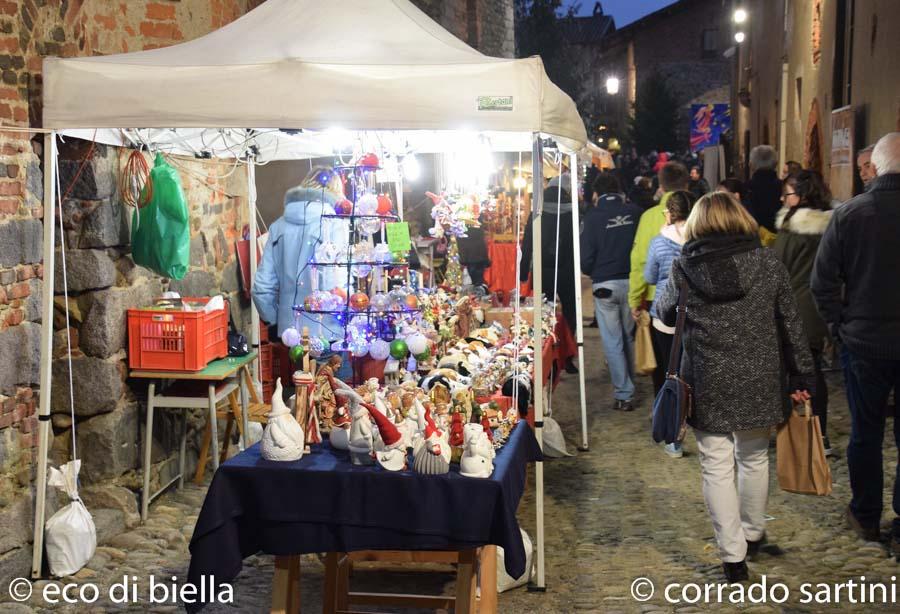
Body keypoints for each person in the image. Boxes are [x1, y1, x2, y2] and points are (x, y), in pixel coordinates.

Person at [655, 191, 814, 582]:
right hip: (760, 375)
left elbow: (663, 310)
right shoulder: (768, 263)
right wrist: (801, 375)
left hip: (709, 377)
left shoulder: (684, 266)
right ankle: (754, 531)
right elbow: (790, 323)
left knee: (716, 465)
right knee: (755, 458)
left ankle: (732, 556)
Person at [811, 132, 900, 552]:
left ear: (875, 167)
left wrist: (839, 327)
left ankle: (866, 515)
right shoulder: (849, 214)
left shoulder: (850, 215)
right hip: (867, 338)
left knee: (865, 433)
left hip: (863, 342)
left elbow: (821, 283)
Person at [774, 170, 834, 454]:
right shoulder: (832, 225)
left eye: (787, 193)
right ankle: (819, 432)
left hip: (795, 308)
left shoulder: (792, 229)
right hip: (820, 309)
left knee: (795, 371)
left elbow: (777, 267)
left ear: (802, 195)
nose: (783, 199)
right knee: (813, 368)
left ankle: (804, 434)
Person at [253, 166, 346, 336]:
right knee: (333, 364)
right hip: (328, 332)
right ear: (336, 192)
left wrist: (274, 322)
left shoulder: (278, 227)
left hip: (290, 332)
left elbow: (262, 287)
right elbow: (336, 286)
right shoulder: (335, 225)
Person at [580, 172, 642, 412]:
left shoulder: (593, 217)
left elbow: (585, 257)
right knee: (628, 337)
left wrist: (594, 270)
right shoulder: (635, 213)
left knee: (613, 340)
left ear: (597, 193)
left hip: (605, 283)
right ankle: (629, 383)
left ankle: (624, 392)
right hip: (632, 282)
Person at [643, 190, 696, 455]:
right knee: (691, 374)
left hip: (665, 317)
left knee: (667, 373)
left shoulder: (658, 242)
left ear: (670, 213)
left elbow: (649, 276)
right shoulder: (700, 242)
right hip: (695, 316)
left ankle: (672, 433)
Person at [629, 161, 689, 392]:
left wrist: (635, 299)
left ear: (661, 186)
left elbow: (640, 261)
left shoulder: (650, 217)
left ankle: (665, 408)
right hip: (693, 299)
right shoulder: (698, 214)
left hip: (659, 300)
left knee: (664, 362)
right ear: (686, 183)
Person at [521, 173, 579, 373]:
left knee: (543, 311)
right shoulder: (573, 213)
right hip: (567, 271)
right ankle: (568, 356)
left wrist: (522, 274)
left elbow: (527, 243)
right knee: (570, 313)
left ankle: (545, 355)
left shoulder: (538, 212)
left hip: (542, 270)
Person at [745, 145, 782, 233]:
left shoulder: (745, 188)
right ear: (776, 163)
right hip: (780, 237)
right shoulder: (784, 187)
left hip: (752, 238)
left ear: (751, 164)